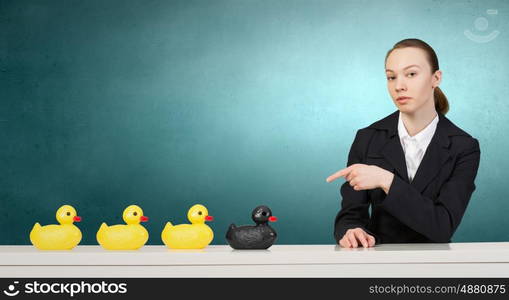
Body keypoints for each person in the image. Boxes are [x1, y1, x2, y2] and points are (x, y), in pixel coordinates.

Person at [326, 38, 481, 248]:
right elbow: (351, 213)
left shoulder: (463, 147)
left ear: (436, 78)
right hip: (375, 261)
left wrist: (386, 180)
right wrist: (351, 230)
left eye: (411, 74)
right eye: (391, 77)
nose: (399, 86)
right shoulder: (367, 138)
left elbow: (442, 226)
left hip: (435, 265)